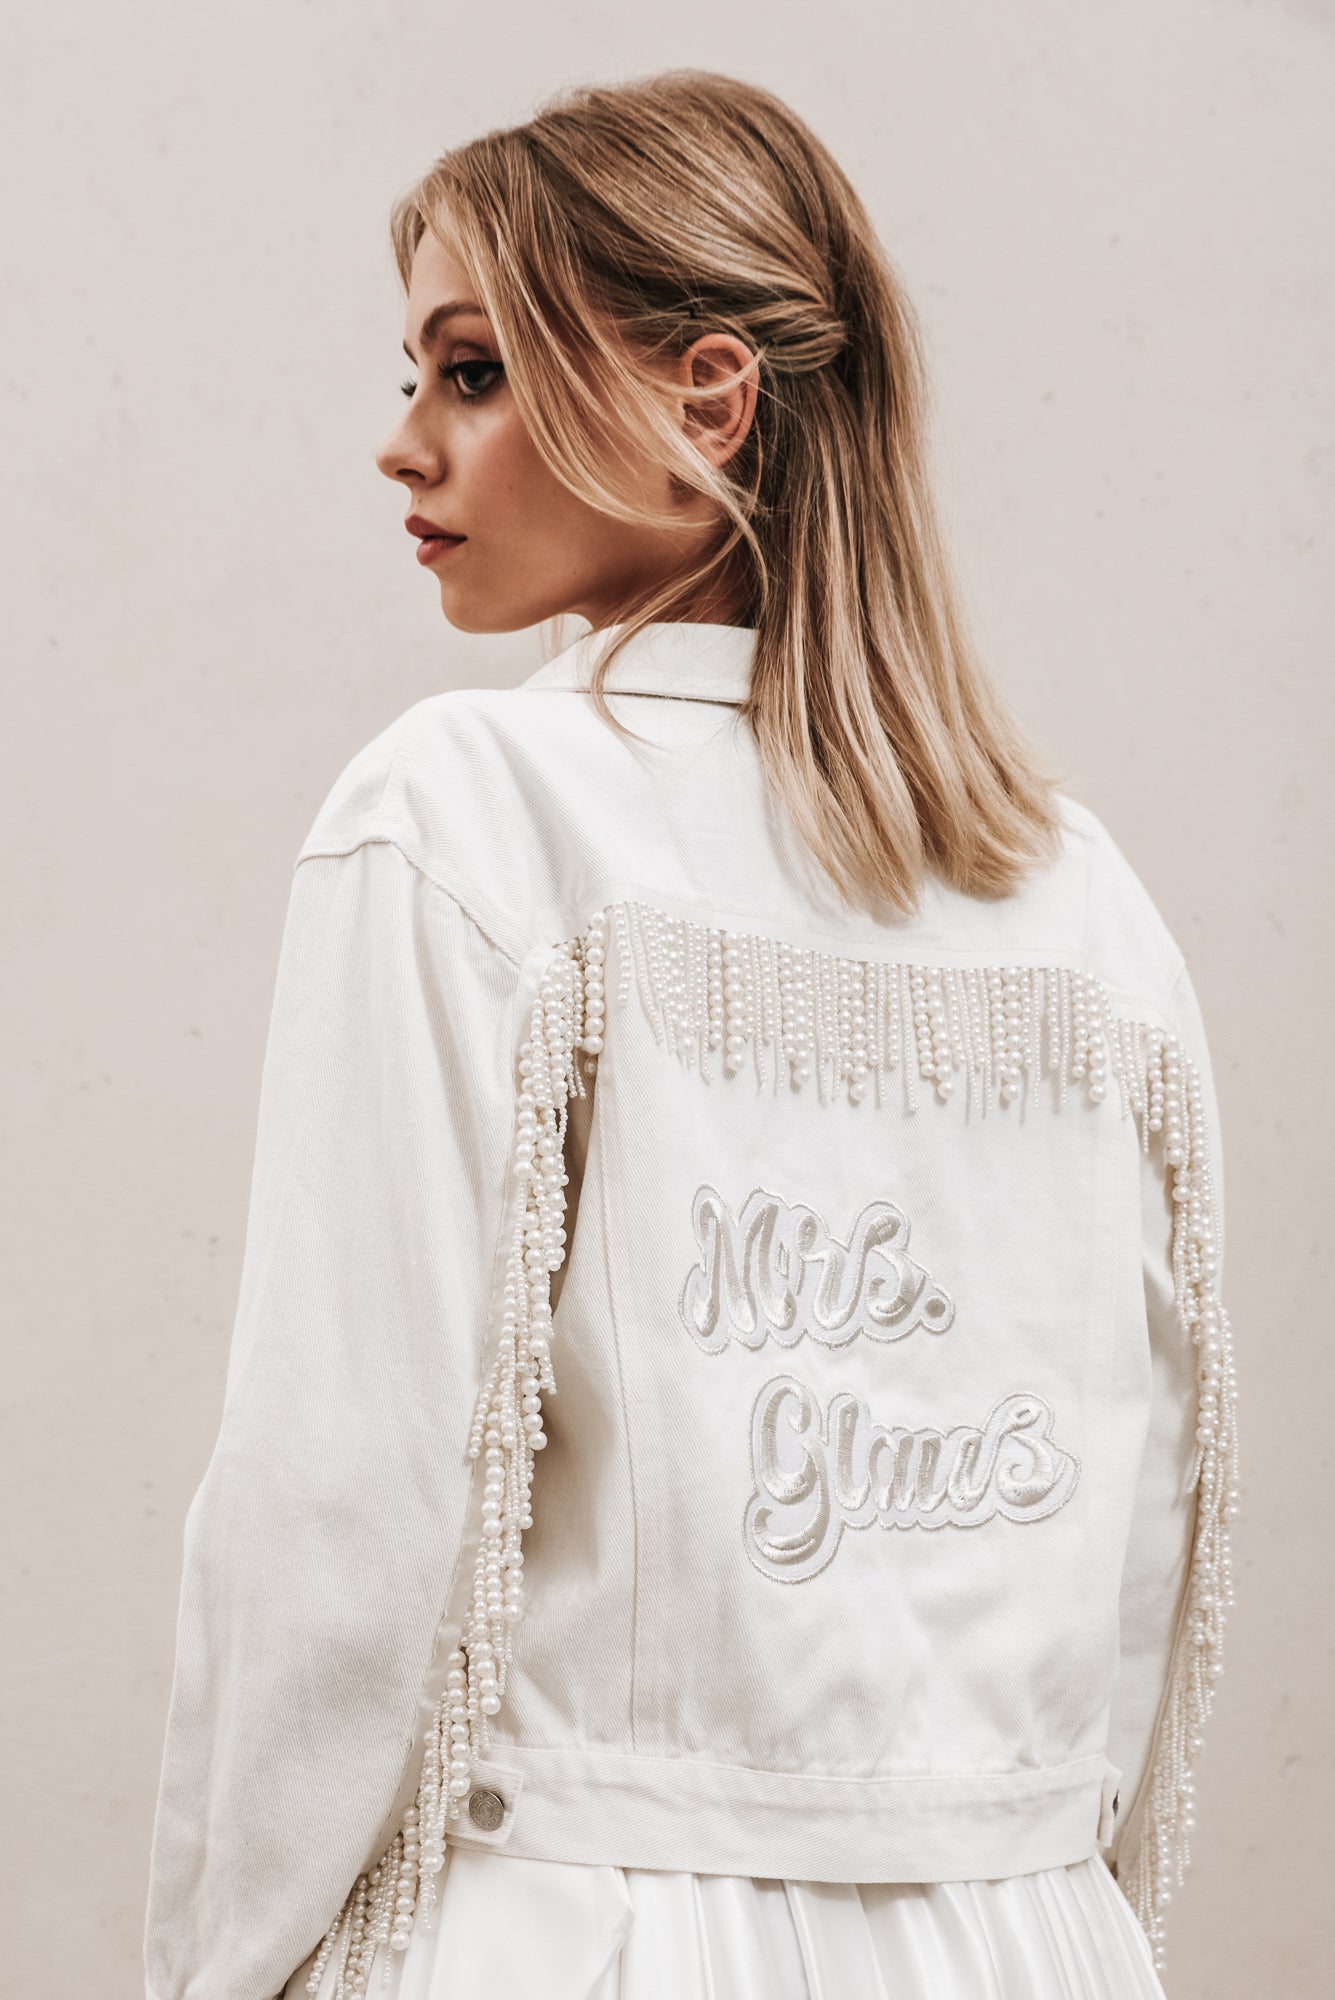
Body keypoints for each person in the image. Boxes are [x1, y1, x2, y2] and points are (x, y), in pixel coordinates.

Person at [142, 69, 1238, 2000]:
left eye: (473, 372)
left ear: (709, 399)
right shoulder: (1088, 911)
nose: (404, 443)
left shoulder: (466, 815)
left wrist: (220, 1966)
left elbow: (341, 1513)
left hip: (589, 1936)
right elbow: (1146, 1545)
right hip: (1029, 1939)